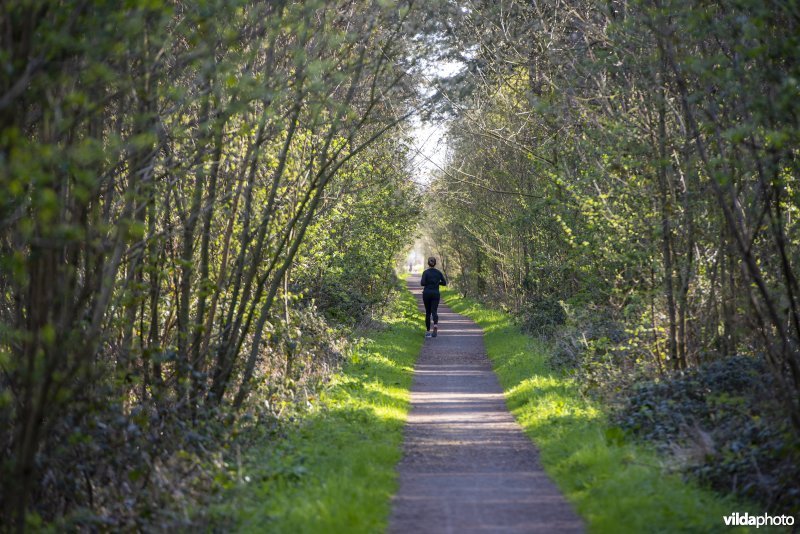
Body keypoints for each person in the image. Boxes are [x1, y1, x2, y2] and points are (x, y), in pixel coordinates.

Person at [420, 257, 447, 338]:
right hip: (435, 294)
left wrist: (428, 283)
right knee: (434, 311)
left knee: (428, 312)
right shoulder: (438, 273)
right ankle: (435, 326)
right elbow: (444, 283)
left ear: (428, 263)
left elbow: (422, 283)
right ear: (435, 263)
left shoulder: (425, 272)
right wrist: (437, 283)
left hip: (427, 293)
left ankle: (428, 331)